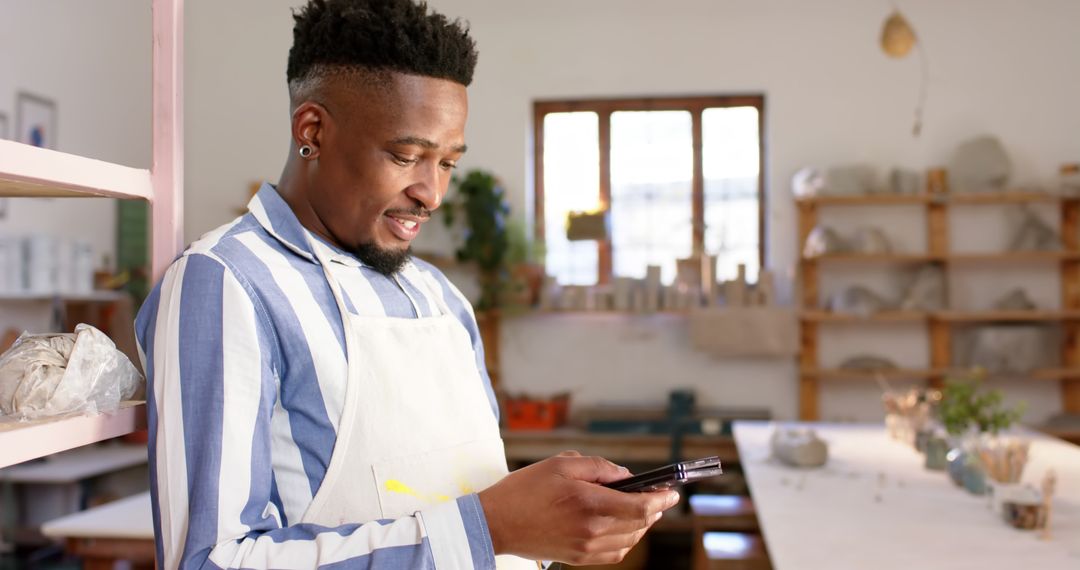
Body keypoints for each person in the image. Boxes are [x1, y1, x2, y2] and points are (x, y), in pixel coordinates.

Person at [135, 0, 679, 568]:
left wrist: (551, 518)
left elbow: (467, 493)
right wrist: (492, 527)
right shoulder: (228, 284)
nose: (432, 193)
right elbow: (208, 561)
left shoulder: (439, 296)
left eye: (447, 163)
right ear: (312, 131)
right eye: (406, 156)